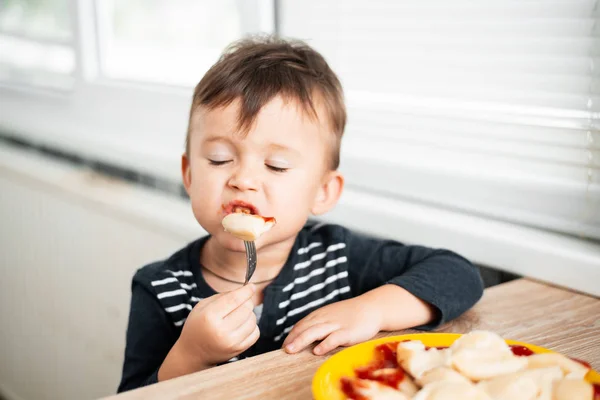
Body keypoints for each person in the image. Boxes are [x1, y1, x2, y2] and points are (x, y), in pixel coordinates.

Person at [117, 35, 484, 392]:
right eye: (220, 159)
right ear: (189, 174)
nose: (243, 179)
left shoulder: (336, 256)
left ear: (323, 192)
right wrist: (190, 355)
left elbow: (458, 274)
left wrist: (371, 310)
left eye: (276, 166)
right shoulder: (161, 289)